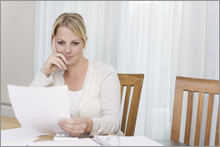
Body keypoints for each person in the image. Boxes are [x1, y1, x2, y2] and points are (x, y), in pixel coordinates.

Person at [30, 13, 123, 137]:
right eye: (61, 42)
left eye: (75, 43)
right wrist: (44, 72)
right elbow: (28, 110)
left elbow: (114, 121)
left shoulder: (105, 72)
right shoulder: (51, 77)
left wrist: (88, 124)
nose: (67, 50)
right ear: (54, 41)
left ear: (84, 42)